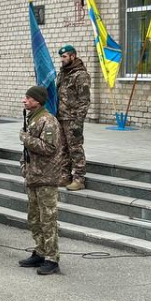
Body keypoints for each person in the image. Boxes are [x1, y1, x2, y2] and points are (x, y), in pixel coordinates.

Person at [18, 86, 63, 276]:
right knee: (34, 218)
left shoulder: (48, 120)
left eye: (28, 98)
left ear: (37, 101)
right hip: (33, 175)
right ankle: (40, 251)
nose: (24, 101)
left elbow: (49, 147)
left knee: (48, 219)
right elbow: (28, 151)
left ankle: (52, 259)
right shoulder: (33, 118)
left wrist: (25, 138)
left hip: (46, 177)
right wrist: (23, 166)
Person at [56, 44, 91, 192]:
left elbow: (84, 101)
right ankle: (64, 176)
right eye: (61, 57)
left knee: (75, 149)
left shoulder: (80, 75)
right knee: (62, 148)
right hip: (61, 117)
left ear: (73, 56)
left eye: (64, 57)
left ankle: (79, 179)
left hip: (72, 119)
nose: (62, 60)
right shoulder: (63, 73)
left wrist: (78, 122)